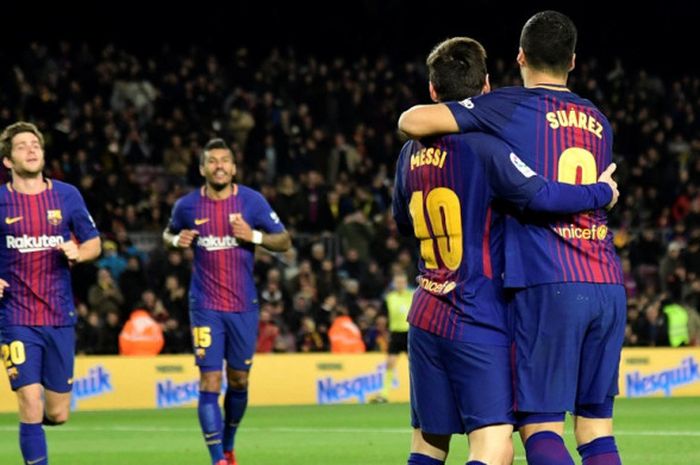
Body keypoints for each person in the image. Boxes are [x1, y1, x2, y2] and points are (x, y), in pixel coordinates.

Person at [399, 11, 626, 465]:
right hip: (598, 281)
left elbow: (411, 127)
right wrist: (604, 191)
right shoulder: (598, 120)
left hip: (516, 289)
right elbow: (539, 190)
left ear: (520, 56)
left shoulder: (493, 115)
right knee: (592, 429)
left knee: (513, 431)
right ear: (574, 61)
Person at [163, 138, 291, 465]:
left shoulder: (252, 202)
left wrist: (255, 237)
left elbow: (284, 240)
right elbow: (168, 233)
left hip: (242, 306)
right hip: (205, 305)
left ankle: (229, 443)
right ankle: (217, 458)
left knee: (238, 380)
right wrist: (177, 240)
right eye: (212, 161)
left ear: (233, 168)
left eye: (225, 161)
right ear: (202, 168)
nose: (219, 166)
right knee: (209, 379)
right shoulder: (187, 206)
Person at [0, 121, 101, 465]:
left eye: (35, 145)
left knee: (56, 412)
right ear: (8, 161)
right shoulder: (0, 201)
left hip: (59, 316)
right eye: (22, 146)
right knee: (30, 402)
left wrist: (79, 253)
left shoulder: (67, 195)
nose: (31, 150)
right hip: (15, 317)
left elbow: (94, 243)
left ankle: (35, 430)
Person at [373, 271, 413, 403]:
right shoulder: (389, 298)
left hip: (410, 334)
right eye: (398, 282)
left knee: (415, 366)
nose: (400, 284)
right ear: (394, 284)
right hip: (396, 334)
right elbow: (383, 315)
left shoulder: (413, 295)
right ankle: (384, 394)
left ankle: (421, 394)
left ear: (406, 283)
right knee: (390, 363)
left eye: (402, 282)